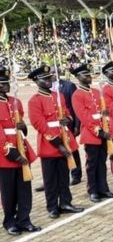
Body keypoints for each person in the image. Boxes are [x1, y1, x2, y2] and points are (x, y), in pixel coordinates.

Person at [27, 65, 84, 218]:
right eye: (44, 79)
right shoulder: (35, 101)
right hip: (49, 144)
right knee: (50, 179)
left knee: (64, 176)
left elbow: (67, 113)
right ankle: (52, 206)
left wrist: (68, 119)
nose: (48, 81)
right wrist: (58, 144)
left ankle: (65, 202)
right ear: (36, 81)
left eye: (49, 78)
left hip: (64, 138)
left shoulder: (58, 96)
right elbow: (39, 124)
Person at [0, 67, 40, 235]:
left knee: (24, 189)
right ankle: (9, 221)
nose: (6, 86)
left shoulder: (15, 102)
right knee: (8, 191)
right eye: (3, 84)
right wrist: (13, 154)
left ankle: (24, 219)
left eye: (7, 82)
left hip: (21, 148)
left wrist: (23, 127)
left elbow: (22, 130)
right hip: (6, 154)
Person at [71, 63, 113, 203]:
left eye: (89, 74)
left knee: (102, 163)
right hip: (92, 135)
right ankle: (92, 190)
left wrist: (106, 122)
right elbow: (84, 117)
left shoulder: (97, 92)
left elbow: (103, 111)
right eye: (85, 75)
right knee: (92, 165)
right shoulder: (77, 95)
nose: (88, 77)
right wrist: (99, 131)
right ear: (78, 77)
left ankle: (103, 188)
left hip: (104, 131)